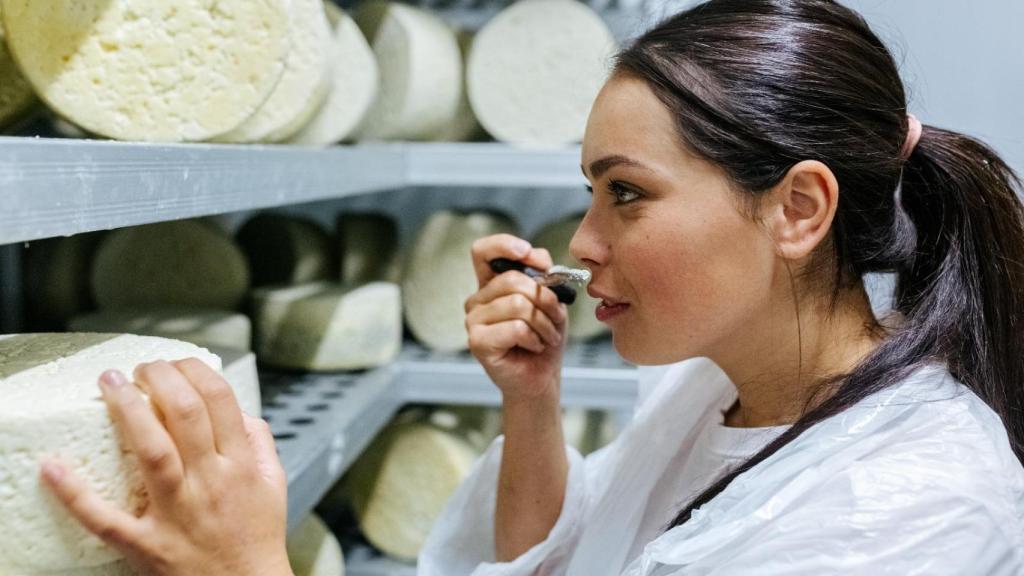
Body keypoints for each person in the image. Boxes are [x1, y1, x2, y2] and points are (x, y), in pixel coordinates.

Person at [40, 0, 1024, 574]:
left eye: (625, 194)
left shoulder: (907, 507)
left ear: (798, 211)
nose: (582, 245)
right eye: (587, 193)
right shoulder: (714, 387)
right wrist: (531, 402)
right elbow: (550, 562)